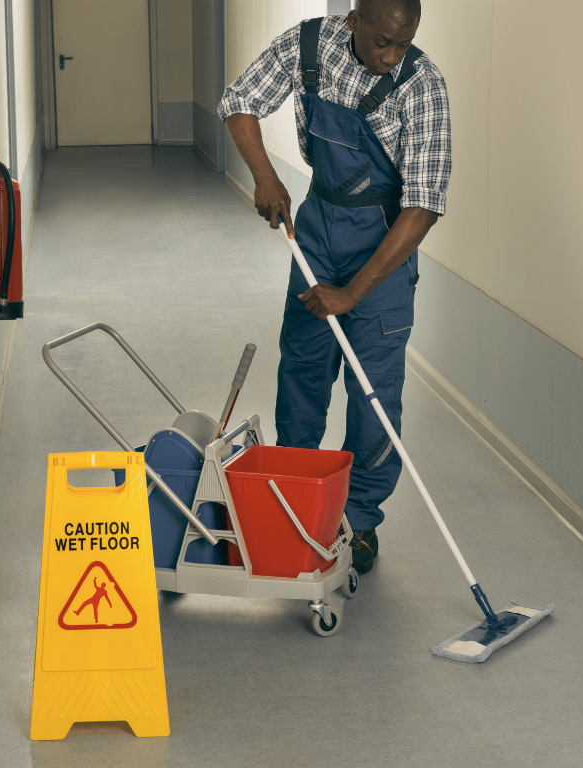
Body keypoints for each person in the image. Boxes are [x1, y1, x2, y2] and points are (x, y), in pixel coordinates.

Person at [218, 0, 449, 576]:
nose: (392, 58)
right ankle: (297, 503)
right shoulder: (307, 47)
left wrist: (352, 294)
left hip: (386, 239)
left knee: (374, 391)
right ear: (354, 20)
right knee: (303, 370)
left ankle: (360, 520)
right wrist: (266, 177)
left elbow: (422, 207)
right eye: (383, 44)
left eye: (404, 43)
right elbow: (239, 102)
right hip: (319, 227)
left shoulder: (421, 86)